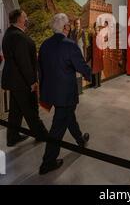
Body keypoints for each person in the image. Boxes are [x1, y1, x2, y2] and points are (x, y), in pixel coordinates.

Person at [38, 13, 92, 175]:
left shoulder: (45, 45)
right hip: (66, 93)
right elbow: (81, 65)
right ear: (64, 27)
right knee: (58, 127)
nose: (69, 27)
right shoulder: (69, 45)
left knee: (68, 117)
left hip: (51, 92)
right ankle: (47, 163)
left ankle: (80, 140)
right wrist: (89, 75)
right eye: (68, 25)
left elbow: (40, 68)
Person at [1, 9, 48, 147]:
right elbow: (24, 63)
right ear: (19, 20)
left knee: (15, 111)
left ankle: (12, 137)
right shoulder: (18, 36)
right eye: (25, 16)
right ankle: (42, 135)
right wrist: (32, 82)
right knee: (31, 109)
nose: (27, 18)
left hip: (14, 81)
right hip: (22, 82)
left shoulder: (9, 34)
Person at [69, 18, 86, 94]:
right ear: (74, 24)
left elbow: (85, 44)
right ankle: (76, 90)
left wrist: (85, 56)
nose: (77, 25)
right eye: (76, 23)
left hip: (80, 54)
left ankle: (80, 90)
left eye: (78, 23)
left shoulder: (82, 32)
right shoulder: (72, 33)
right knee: (75, 72)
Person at [87, 22, 104, 88]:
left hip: (99, 55)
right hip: (94, 55)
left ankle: (98, 83)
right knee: (95, 69)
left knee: (98, 69)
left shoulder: (100, 36)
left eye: (97, 27)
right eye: (95, 27)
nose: (96, 28)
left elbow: (102, 46)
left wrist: (102, 54)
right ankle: (97, 83)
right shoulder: (93, 36)